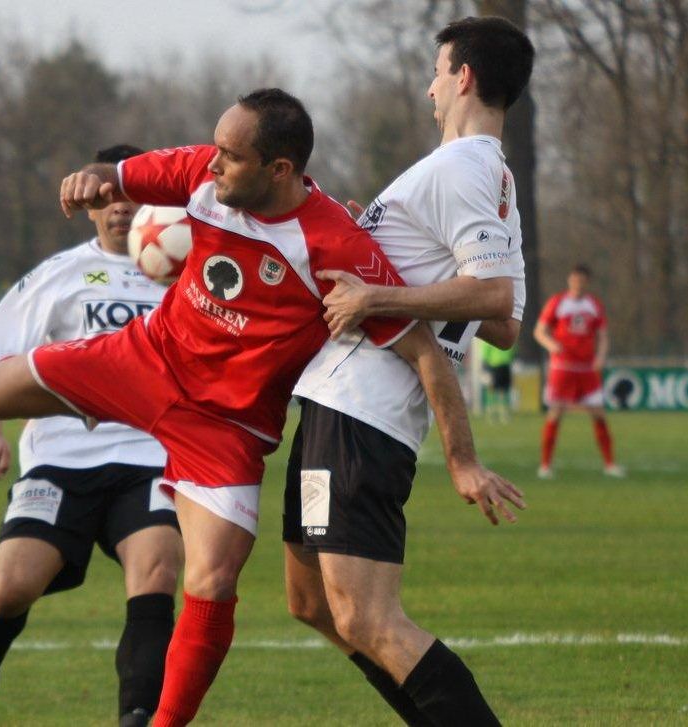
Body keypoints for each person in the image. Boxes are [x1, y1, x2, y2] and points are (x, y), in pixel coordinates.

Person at [0, 88, 521, 726]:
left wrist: (462, 460)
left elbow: (423, 350)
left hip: (225, 427)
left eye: (230, 155)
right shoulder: (201, 175)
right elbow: (117, 173)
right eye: (216, 148)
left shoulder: (331, 243)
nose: (213, 163)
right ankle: (96, 410)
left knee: (213, 581)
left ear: (279, 169)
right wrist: (88, 179)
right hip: (145, 360)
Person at [283, 17, 533, 725]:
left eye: (437, 71)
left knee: (367, 618)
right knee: (311, 603)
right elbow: (505, 327)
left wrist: (377, 296)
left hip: (362, 409)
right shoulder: (490, 176)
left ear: (463, 77)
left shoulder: (460, 168)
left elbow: (494, 298)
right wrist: (384, 258)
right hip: (344, 404)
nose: (429, 87)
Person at [0, 146, 184, 727]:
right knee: (9, 589)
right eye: (109, 197)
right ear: (91, 207)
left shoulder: (186, 280)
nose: (122, 207)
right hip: (60, 460)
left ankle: (138, 717)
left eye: (135, 196)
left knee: (156, 574)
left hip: (152, 456)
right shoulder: (59, 275)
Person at [534, 263, 624, 478]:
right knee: (556, 413)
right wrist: (552, 345)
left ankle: (610, 465)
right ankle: (545, 466)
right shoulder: (557, 302)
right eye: (574, 280)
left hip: (586, 368)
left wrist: (600, 356)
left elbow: (603, 335)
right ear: (569, 280)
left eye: (581, 281)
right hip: (563, 367)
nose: (577, 284)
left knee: (598, 413)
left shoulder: (594, 305)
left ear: (587, 282)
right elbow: (539, 331)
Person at [481, 339, 516, 423]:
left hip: (505, 365)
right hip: (494, 366)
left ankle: (503, 414)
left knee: (503, 391)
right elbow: (485, 353)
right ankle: (491, 413)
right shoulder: (490, 338)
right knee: (492, 390)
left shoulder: (506, 336)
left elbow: (513, 350)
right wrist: (486, 367)